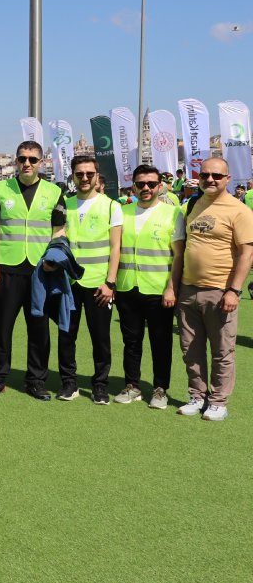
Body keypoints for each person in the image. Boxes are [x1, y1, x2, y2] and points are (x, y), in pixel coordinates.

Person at [0, 140, 66, 400]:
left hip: (41, 271)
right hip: (7, 268)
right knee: (3, 326)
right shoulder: (2, 189)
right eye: (22, 159)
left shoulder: (53, 191)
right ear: (16, 161)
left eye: (32, 159)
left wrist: (54, 259)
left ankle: (36, 380)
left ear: (41, 162)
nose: (26, 163)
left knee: (39, 327)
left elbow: (59, 231)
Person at [176, 157, 253, 421]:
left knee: (222, 350)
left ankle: (219, 400)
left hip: (220, 291)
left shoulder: (239, 210)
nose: (210, 179)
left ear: (228, 179)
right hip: (188, 288)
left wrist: (234, 290)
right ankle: (198, 396)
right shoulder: (193, 205)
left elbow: (247, 253)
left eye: (217, 176)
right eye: (205, 174)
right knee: (191, 349)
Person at [112, 164, 185, 410]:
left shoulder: (173, 214)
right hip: (127, 287)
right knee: (131, 341)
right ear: (133, 185)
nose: (146, 188)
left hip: (158, 290)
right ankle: (132, 385)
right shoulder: (122, 211)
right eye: (140, 184)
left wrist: (171, 288)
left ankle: (160, 388)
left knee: (161, 341)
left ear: (160, 186)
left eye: (151, 184)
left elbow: (178, 256)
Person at [55, 155, 121, 404]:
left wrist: (110, 283)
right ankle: (68, 383)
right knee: (66, 335)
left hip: (98, 284)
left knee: (100, 337)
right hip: (69, 284)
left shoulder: (111, 206)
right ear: (73, 176)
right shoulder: (64, 204)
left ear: (97, 177)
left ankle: (100, 385)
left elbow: (116, 248)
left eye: (89, 174)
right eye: (79, 174)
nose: (84, 178)